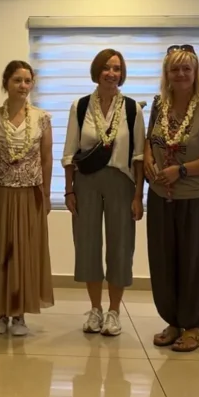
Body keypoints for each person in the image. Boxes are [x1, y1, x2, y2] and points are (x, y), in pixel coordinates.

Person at [145, 45, 199, 353]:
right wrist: (150, 160)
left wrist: (181, 170)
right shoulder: (159, 107)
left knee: (195, 263)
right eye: (174, 69)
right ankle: (173, 321)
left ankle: (192, 327)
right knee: (165, 262)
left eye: (186, 69)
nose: (180, 74)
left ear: (195, 74)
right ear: (166, 74)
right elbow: (150, 140)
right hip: (160, 199)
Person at [61, 48, 145, 336]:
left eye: (117, 68)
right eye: (107, 68)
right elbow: (70, 152)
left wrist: (138, 197)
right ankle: (95, 310)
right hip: (86, 182)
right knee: (87, 244)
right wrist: (68, 191)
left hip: (122, 182)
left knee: (121, 246)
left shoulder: (133, 108)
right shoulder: (80, 106)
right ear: (97, 71)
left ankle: (114, 312)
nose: (112, 73)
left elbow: (138, 156)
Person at [0, 60, 54, 336]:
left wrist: (47, 194)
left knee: (25, 251)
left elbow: (46, 159)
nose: (23, 86)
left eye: (27, 80)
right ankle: (1, 312)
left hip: (30, 193)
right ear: (6, 83)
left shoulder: (42, 118)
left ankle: (20, 314)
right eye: (17, 80)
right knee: (1, 249)